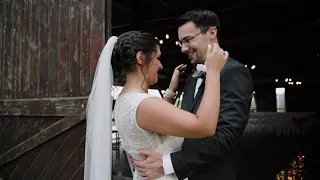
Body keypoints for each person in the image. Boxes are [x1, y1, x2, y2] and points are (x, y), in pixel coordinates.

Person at [84, 31, 228, 180]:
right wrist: (213, 71)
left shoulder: (125, 100)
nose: (160, 65)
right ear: (140, 58)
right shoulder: (143, 104)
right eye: (158, 58)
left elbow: (156, 122)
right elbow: (205, 126)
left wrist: (171, 89)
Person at [131, 9, 253, 180]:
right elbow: (184, 129)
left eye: (188, 40)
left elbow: (226, 137)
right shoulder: (191, 79)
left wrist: (169, 163)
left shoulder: (234, 72)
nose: (182, 48)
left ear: (211, 32)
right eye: (181, 42)